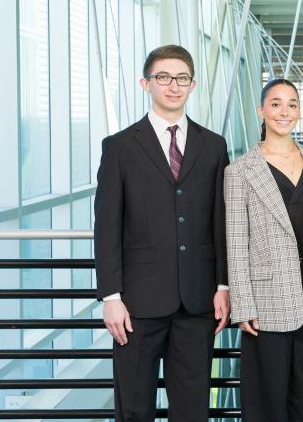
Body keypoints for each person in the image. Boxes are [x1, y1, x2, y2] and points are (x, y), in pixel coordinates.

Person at [94, 45, 230, 421]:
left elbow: (220, 222)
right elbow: (106, 226)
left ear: (193, 85)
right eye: (164, 78)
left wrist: (223, 286)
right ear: (146, 83)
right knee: (135, 406)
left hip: (198, 300)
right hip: (136, 303)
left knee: (192, 408)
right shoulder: (119, 147)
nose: (173, 86)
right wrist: (111, 296)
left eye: (182, 78)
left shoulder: (214, 146)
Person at [225, 78, 303, 422]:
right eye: (275, 103)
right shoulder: (240, 171)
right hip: (266, 300)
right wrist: (242, 304)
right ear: (261, 110)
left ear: (299, 112)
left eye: (291, 104)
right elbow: (235, 241)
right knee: (268, 398)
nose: (284, 111)